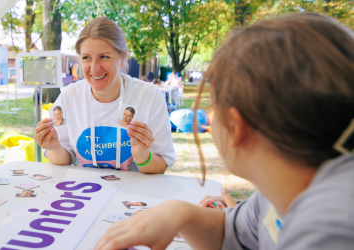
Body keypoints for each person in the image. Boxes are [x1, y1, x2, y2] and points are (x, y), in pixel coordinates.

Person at [94, 13, 354, 250]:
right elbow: (231, 231)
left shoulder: (329, 232)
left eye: (213, 107)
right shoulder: (279, 193)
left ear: (236, 127)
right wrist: (180, 212)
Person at [34, 17, 175, 173]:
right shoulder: (68, 97)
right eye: (86, 57)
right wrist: (54, 147)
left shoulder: (149, 96)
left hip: (133, 194)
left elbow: (161, 166)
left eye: (104, 57)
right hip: (85, 191)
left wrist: (142, 155)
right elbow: (64, 159)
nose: (94, 68)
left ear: (122, 58)